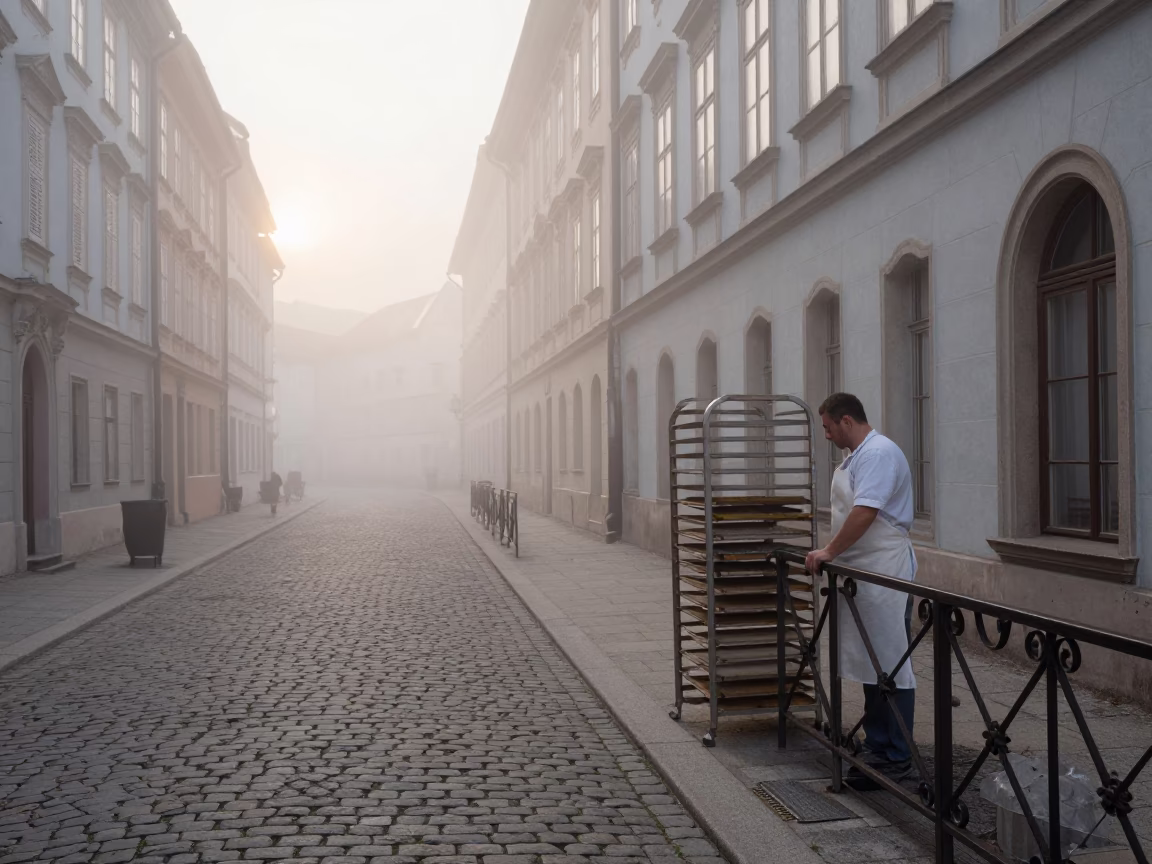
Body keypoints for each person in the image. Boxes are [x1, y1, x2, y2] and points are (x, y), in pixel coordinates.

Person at [804, 392, 916, 785]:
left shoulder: (879, 454)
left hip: (885, 570)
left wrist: (829, 551)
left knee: (890, 661)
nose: (827, 435)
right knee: (874, 662)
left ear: (846, 421)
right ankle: (878, 745)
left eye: (828, 427)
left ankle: (896, 755)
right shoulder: (857, 457)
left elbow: (865, 511)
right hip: (865, 571)